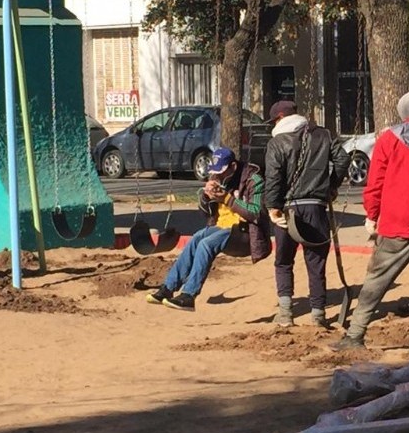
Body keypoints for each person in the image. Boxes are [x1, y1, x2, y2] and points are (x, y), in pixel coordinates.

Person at [329, 89, 409, 357]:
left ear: (403, 111)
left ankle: (355, 334)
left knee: (376, 281)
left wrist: (372, 214)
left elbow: (375, 181)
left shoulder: (389, 140)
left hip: (396, 224)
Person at [147, 147, 271, 311]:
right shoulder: (216, 178)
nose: (218, 176)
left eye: (222, 172)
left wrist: (227, 199)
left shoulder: (253, 180)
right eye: (215, 172)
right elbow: (205, 213)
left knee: (206, 244)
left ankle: (189, 295)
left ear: (233, 167)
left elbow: (256, 213)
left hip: (244, 232)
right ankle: (168, 288)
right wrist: (205, 197)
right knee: (197, 238)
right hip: (221, 227)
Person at [263, 100, 350, 328]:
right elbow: (342, 159)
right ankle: (318, 314)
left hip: (288, 209)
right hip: (316, 206)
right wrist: (331, 186)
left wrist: (272, 206)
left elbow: (273, 178)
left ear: (279, 118)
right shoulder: (322, 135)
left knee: (283, 261)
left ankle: (285, 313)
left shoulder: (277, 143)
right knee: (316, 262)